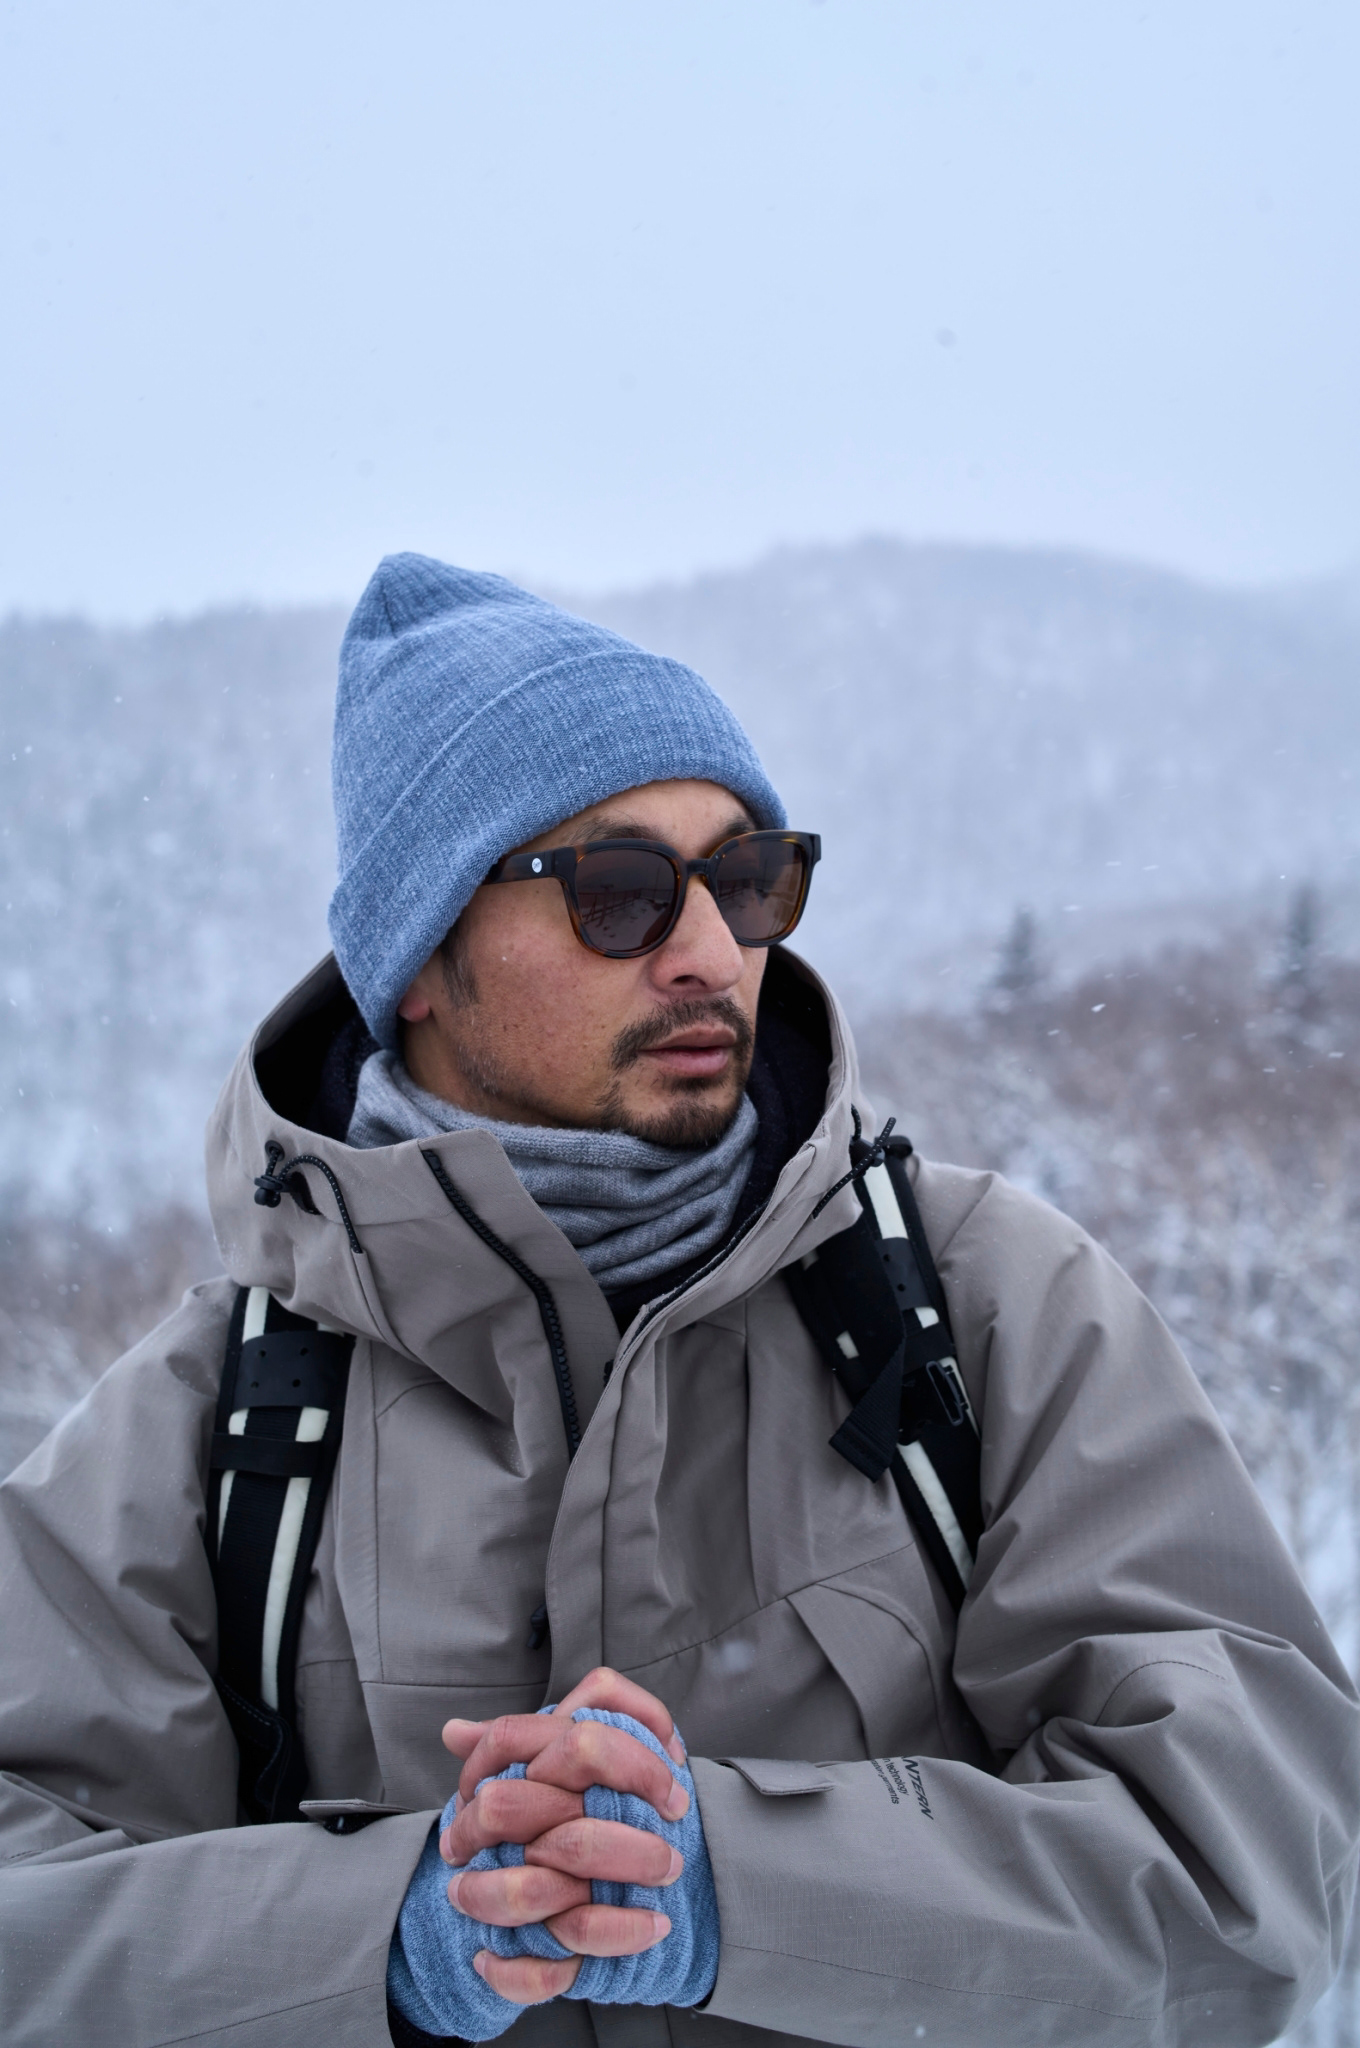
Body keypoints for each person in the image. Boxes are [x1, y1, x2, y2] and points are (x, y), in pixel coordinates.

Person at [0, 552, 1356, 2048]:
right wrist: (380, 1936)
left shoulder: (983, 1305)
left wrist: (740, 1893)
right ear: (421, 960)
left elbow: (1255, 1866)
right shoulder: (216, 1417)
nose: (714, 953)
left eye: (748, 879)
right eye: (621, 894)